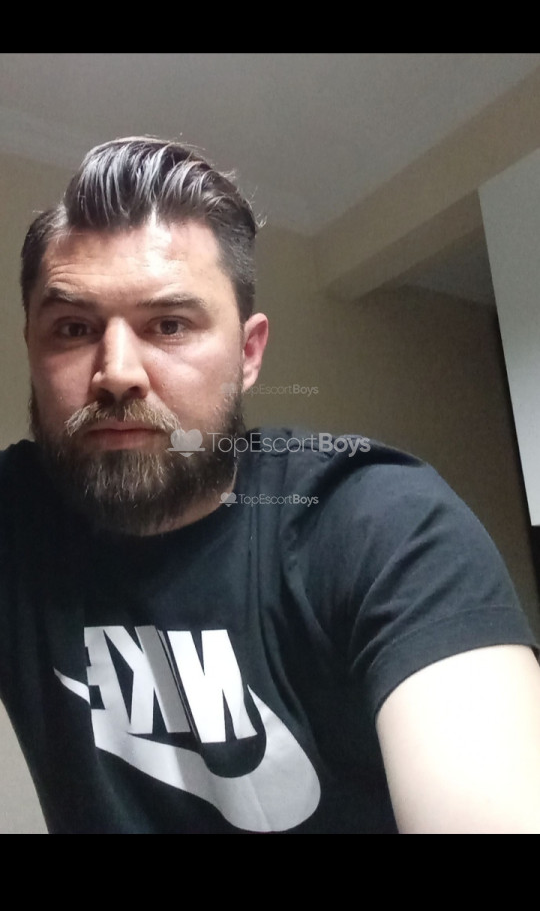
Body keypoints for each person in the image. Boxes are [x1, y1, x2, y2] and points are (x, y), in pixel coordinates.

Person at [1, 134, 540, 834]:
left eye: (169, 324)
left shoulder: (380, 522)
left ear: (248, 354)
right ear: (32, 348)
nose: (118, 373)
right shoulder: (16, 521)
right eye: (73, 328)